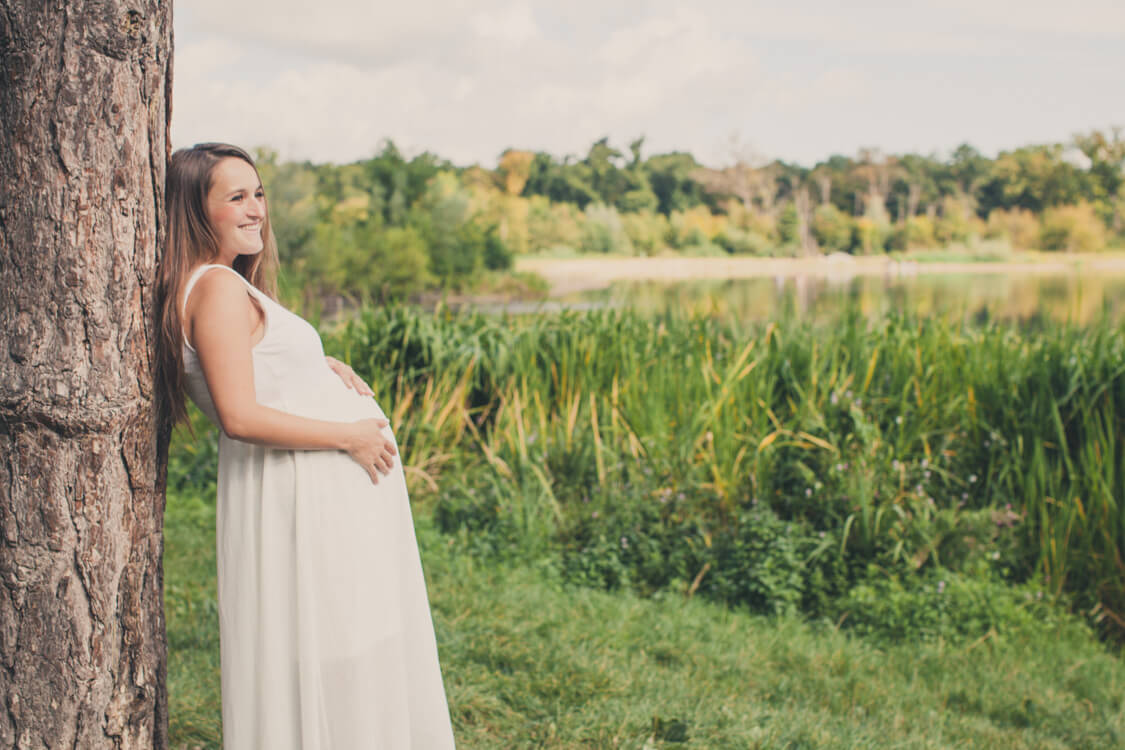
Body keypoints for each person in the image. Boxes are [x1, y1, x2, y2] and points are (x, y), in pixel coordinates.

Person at [156, 142, 456, 749]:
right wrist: (348, 434)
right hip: (300, 497)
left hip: (310, 497)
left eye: (258, 194)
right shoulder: (214, 286)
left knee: (346, 652)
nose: (256, 210)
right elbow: (238, 415)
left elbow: (257, 372)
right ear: (194, 211)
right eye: (235, 197)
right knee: (336, 653)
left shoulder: (223, 285)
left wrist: (318, 365)